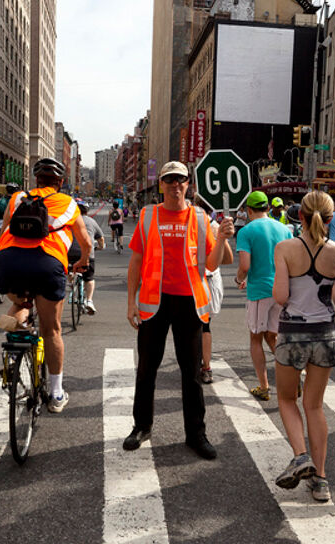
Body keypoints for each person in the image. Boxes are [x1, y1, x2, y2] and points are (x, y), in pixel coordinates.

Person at [122, 161, 234, 460]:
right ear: (161, 184)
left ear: (188, 184)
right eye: (169, 180)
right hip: (153, 303)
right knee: (147, 370)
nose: (175, 185)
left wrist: (222, 237)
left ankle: (196, 434)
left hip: (189, 303)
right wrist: (131, 302)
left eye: (181, 180)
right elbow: (135, 261)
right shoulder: (148, 216)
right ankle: (141, 426)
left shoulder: (200, 218)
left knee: (192, 373)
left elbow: (212, 265)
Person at [0, 158, 90, 413]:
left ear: (36, 180)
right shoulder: (68, 202)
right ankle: (56, 394)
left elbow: (3, 231)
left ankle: (13, 348)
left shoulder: (16, 199)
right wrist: (81, 262)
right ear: (60, 182)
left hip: (8, 261)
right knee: (52, 331)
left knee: (21, 302)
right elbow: (86, 243)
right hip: (47, 265)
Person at [271, 191, 335, 502]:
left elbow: (279, 296)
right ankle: (321, 480)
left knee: (287, 400)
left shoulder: (286, 248)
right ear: (331, 219)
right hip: (325, 336)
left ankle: (300, 455)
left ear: (298, 216)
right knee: (314, 406)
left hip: (292, 334)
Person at [236, 190, 293, 401]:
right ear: (268, 208)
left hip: (259, 291)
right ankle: (292, 381)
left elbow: (245, 265)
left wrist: (238, 278)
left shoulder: (246, 231)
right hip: (281, 290)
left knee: (255, 338)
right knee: (273, 336)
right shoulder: (284, 229)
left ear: (249, 210)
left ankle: (264, 386)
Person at [199, 204, 233, 384]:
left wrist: (222, 238)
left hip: (204, 282)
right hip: (200, 282)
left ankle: (205, 367)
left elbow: (227, 259)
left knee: (201, 326)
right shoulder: (214, 226)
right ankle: (205, 367)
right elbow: (228, 260)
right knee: (203, 325)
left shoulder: (212, 227)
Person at [66, 201, 106, 314]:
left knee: (70, 270)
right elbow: (101, 239)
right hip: (87, 253)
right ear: (87, 211)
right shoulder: (92, 221)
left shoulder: (70, 220)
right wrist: (100, 247)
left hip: (70, 253)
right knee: (89, 278)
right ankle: (89, 301)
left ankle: (72, 284)